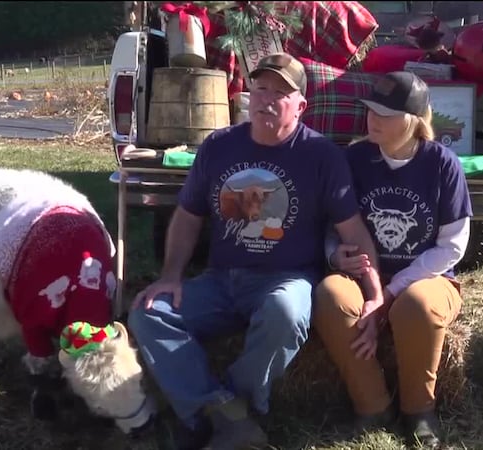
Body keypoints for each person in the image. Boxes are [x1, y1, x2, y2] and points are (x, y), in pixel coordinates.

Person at [127, 52, 384, 450]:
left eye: (280, 93)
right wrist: (171, 275)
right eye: (260, 88)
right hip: (221, 280)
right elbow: (188, 215)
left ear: (301, 105)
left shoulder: (322, 157)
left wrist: (375, 293)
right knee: (148, 314)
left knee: (286, 312)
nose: (266, 99)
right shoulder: (218, 146)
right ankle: (224, 414)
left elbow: (353, 229)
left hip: (287, 279)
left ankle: (220, 413)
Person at [313, 71, 473, 448]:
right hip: (362, 278)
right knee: (329, 296)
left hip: (427, 278)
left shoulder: (442, 164)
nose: (373, 119)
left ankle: (419, 411)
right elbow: (332, 227)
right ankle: (372, 405)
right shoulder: (353, 158)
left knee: (415, 307)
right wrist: (335, 255)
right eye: (370, 110)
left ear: (414, 120)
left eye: (385, 113)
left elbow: (453, 246)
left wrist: (390, 291)